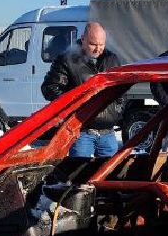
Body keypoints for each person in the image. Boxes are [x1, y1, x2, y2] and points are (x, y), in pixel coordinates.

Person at [43, 21, 124, 158]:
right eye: (93, 44)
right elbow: (50, 87)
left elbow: (121, 89)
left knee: (109, 170)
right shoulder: (67, 60)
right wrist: (74, 106)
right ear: (83, 39)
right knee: (80, 169)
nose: (98, 49)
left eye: (101, 44)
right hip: (81, 132)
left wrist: (118, 109)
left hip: (108, 133)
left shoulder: (112, 59)